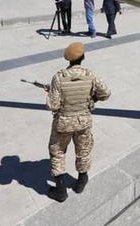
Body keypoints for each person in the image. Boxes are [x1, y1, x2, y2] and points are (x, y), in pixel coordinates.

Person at [45, 42, 111, 201]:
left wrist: (51, 93)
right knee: (83, 149)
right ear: (83, 57)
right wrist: (93, 98)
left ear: (68, 59)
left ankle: (60, 190)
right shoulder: (90, 75)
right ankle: (81, 181)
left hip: (63, 123)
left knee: (57, 151)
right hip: (83, 121)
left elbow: (52, 105)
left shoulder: (59, 77)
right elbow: (106, 93)